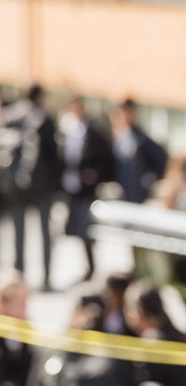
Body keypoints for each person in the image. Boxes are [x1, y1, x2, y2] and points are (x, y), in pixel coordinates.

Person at [1, 84, 60, 291]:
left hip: (15, 185)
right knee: (45, 232)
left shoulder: (10, 115)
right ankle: (46, 277)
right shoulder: (43, 117)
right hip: (42, 186)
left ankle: (19, 277)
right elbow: (54, 154)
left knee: (18, 232)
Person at [57, 94, 114, 282]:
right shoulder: (68, 129)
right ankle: (86, 267)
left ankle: (92, 268)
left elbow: (105, 158)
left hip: (87, 188)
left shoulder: (94, 131)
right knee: (76, 231)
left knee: (86, 230)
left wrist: (95, 174)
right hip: (72, 187)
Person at [110, 98, 168, 204]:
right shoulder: (118, 136)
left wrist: (149, 177)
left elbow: (160, 157)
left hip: (137, 192)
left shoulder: (141, 139)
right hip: (121, 190)